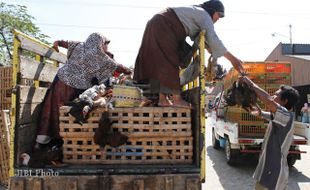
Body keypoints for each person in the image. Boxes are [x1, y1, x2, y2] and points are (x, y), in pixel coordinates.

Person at [134, 0, 244, 108]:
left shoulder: (197, 12)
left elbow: (203, 38)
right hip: (164, 25)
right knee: (170, 60)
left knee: (159, 62)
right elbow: (213, 39)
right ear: (212, 10)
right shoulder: (204, 15)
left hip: (158, 23)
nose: (218, 19)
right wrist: (232, 59)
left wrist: (209, 48)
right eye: (219, 15)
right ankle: (177, 99)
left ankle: (162, 100)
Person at [35, 32, 132, 150]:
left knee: (52, 110)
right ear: (101, 42)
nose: (107, 47)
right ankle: (62, 140)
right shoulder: (101, 56)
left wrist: (56, 44)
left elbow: (62, 42)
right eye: (106, 44)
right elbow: (119, 67)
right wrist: (129, 71)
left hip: (59, 81)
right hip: (74, 89)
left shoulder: (78, 45)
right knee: (69, 112)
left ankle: (44, 141)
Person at [240, 76, 300, 190]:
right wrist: (259, 113)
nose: (273, 96)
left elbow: (268, 100)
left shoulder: (286, 116)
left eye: (276, 95)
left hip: (273, 175)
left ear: (285, 101)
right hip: (270, 172)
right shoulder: (281, 117)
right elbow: (266, 114)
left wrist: (251, 84)